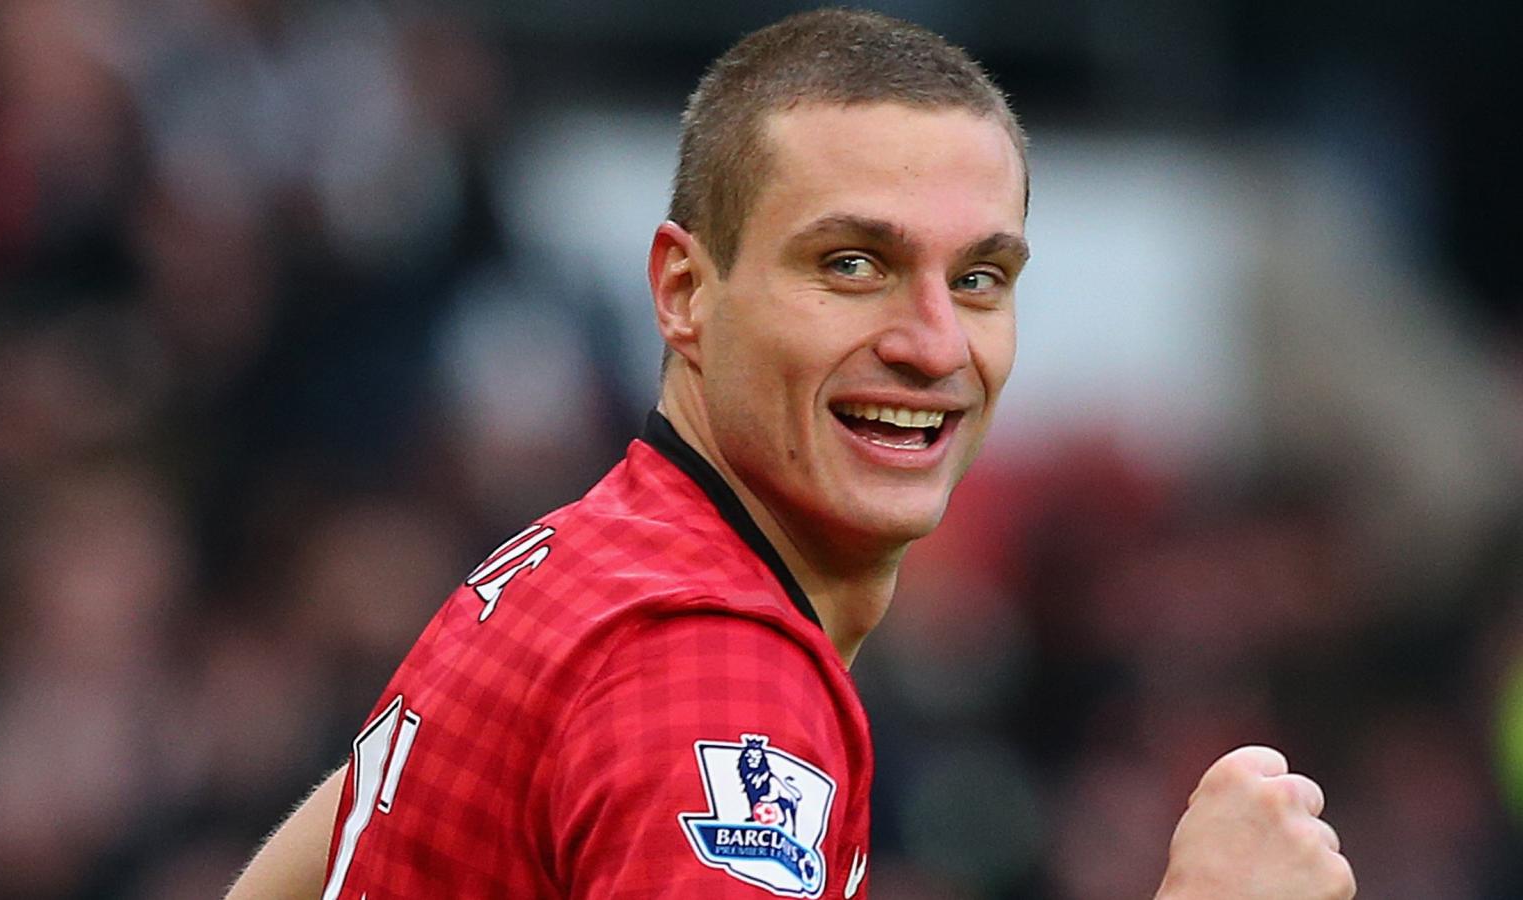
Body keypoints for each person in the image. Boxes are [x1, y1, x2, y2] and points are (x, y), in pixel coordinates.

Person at [227, 9, 1355, 899]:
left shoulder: (576, 560)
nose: (933, 344)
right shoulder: (718, 676)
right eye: (852, 265)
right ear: (684, 291)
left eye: (978, 279)